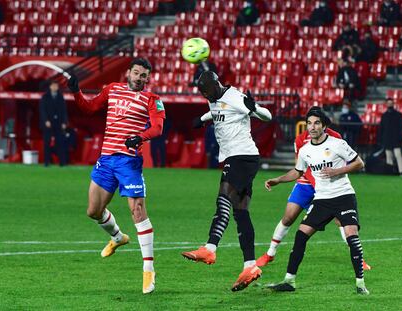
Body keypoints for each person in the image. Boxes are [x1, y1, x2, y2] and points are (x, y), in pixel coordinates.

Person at [67, 58, 166, 294]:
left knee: (138, 211)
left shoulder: (153, 100)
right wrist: (76, 92)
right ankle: (118, 237)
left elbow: (157, 128)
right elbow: (89, 108)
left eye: (144, 75)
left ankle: (148, 271)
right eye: (137, 73)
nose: (140, 78)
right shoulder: (112, 89)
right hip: (106, 160)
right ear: (128, 73)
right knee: (93, 211)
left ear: (147, 78)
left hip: (129, 162)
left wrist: (140, 137)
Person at [181, 71, 272, 291]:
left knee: (223, 198)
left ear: (215, 85)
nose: (204, 96)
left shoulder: (235, 97)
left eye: (206, 91)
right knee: (240, 213)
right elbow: (217, 111)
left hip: (242, 156)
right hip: (239, 158)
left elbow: (267, 116)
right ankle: (250, 266)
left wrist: (254, 108)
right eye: (202, 93)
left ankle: (210, 247)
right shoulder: (215, 99)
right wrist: (201, 120)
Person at [265, 108, 369, 295]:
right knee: (301, 235)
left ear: (324, 126)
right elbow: (298, 172)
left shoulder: (338, 143)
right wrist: (278, 180)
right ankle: (289, 281)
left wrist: (337, 171)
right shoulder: (305, 151)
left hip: (343, 196)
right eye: (310, 123)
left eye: (317, 123)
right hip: (322, 200)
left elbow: (359, 163)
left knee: (352, 236)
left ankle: (360, 284)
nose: (312, 127)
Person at [39, 81, 68, 166]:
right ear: (50, 87)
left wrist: (64, 122)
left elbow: (64, 111)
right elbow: (42, 110)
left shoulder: (60, 97)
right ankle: (46, 162)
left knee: (60, 142)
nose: (55, 87)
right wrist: (45, 121)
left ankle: (62, 162)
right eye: (53, 85)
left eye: (56, 86)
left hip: (58, 123)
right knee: (47, 143)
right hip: (48, 123)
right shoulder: (45, 97)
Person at [379, 98, 402, 176]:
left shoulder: (398, 115)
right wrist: (381, 139)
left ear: (393, 104)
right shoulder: (384, 116)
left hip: (396, 139)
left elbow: (401, 128)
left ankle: (401, 172)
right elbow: (382, 128)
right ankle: (389, 172)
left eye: (391, 103)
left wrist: (399, 138)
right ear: (386, 104)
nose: (390, 104)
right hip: (387, 139)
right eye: (388, 103)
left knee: (398, 155)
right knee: (388, 156)